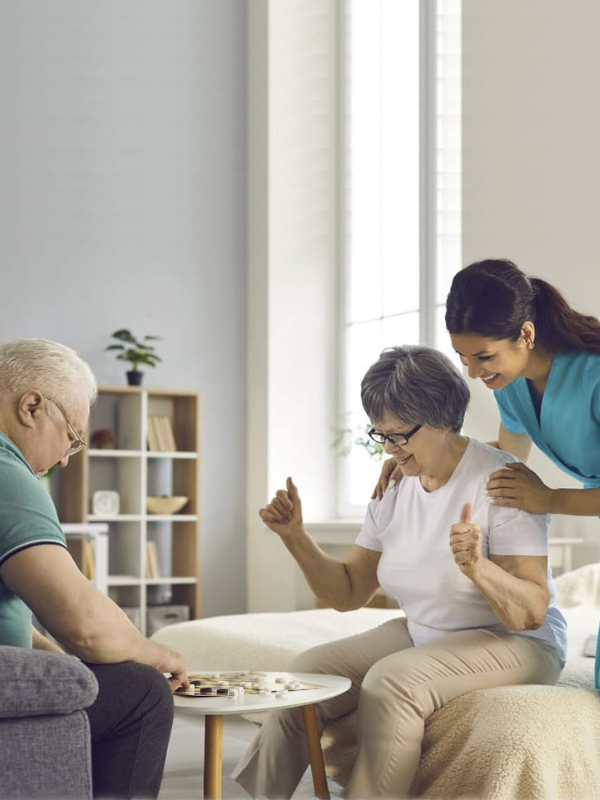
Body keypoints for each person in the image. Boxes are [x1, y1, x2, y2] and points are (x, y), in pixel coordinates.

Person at [232, 345, 566, 800]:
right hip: (428, 631)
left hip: (517, 642)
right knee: (304, 676)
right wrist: (295, 536)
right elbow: (349, 592)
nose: (389, 448)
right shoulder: (394, 482)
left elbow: (529, 613)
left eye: (400, 435)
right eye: (381, 435)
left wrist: (477, 566)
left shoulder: (502, 481)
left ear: (445, 420)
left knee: (392, 682)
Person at [376, 258, 600, 689]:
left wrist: (549, 499)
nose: (475, 373)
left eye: (484, 357)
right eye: (463, 358)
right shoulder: (511, 386)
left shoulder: (593, 376)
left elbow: (530, 484)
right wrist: (414, 453)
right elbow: (503, 455)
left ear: (526, 335)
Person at [0, 338, 190, 799]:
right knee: (142, 691)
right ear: (31, 406)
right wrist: (162, 656)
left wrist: (58, 660)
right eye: (72, 437)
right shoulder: (10, 472)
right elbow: (84, 625)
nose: (66, 459)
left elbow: (24, 621)